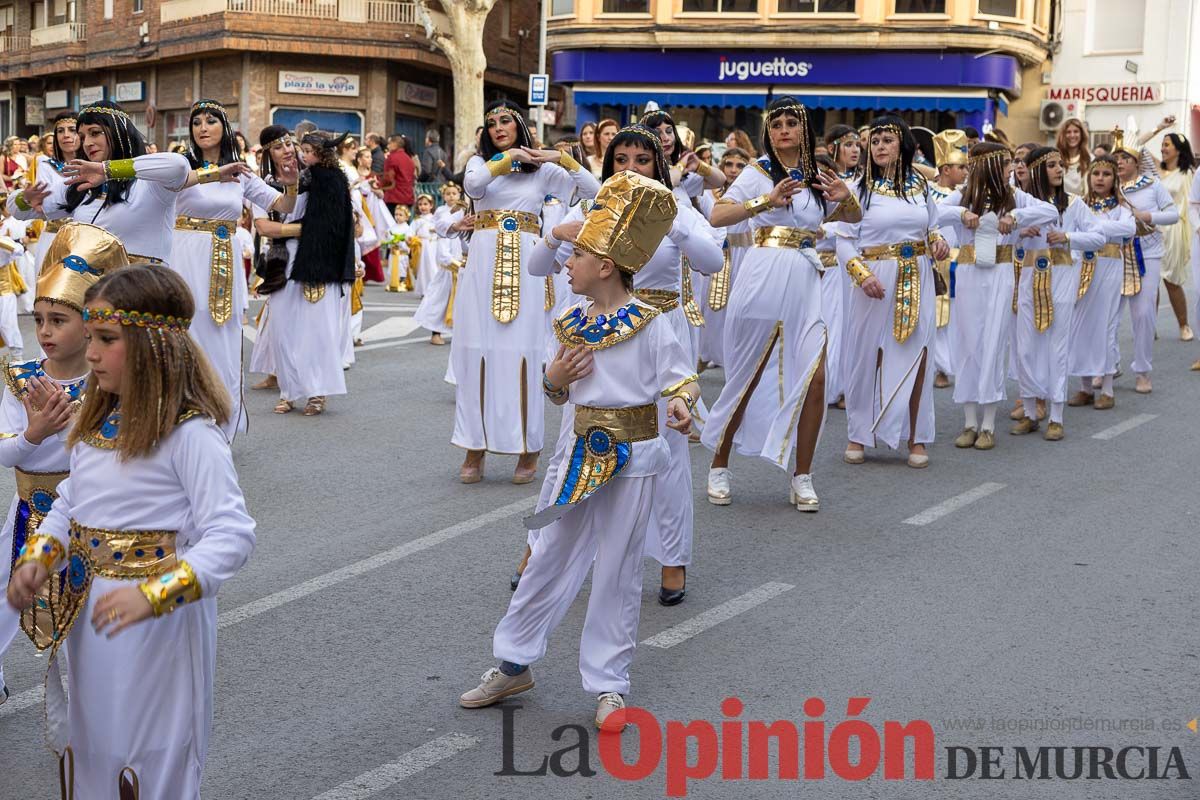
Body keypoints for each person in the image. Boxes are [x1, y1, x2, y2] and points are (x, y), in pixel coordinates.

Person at [459, 171, 699, 731]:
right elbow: (555, 391)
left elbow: (678, 378)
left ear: (606, 266)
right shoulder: (567, 320)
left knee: (617, 568)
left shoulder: (652, 323)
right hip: (576, 459)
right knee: (548, 556)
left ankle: (610, 685)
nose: (566, 263)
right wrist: (555, 376)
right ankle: (513, 662)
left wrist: (682, 404)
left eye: (578, 255)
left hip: (634, 459)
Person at [6, 264, 255, 799]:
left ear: (152, 347)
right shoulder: (96, 425)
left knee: (150, 759)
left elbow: (231, 534)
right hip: (92, 617)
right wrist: (38, 558)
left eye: (106, 340)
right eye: (91, 338)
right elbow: (71, 502)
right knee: (95, 747)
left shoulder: (190, 434)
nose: (90, 354)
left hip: (158, 626)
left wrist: (155, 595)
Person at [703, 98, 858, 510]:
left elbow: (852, 219)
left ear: (805, 130)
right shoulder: (757, 174)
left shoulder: (818, 176)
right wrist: (764, 203)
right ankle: (719, 462)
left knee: (816, 378)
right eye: (776, 124)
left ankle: (802, 475)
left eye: (792, 123)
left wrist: (846, 198)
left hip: (808, 280)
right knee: (748, 374)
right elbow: (718, 217)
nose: (784, 130)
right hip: (763, 275)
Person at [0, 222, 127, 709]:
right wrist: (34, 433)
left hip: (88, 515)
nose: (46, 332)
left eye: (60, 320)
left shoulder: (108, 383)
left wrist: (73, 432)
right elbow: (7, 447)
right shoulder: (23, 378)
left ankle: (92, 714)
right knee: (7, 595)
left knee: (81, 610)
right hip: (26, 507)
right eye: (39, 320)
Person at [455, 99, 599, 484]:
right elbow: (473, 185)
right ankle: (475, 446)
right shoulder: (478, 164)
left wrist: (560, 158)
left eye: (505, 121)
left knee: (524, 353)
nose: (498, 126)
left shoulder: (542, 174)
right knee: (475, 351)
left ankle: (528, 448)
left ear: (520, 125)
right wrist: (506, 158)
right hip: (483, 265)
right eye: (491, 123)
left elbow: (593, 190)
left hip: (527, 264)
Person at [173, 99, 298, 440]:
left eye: (211, 121)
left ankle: (218, 421)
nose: (202, 127)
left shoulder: (240, 172)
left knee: (222, 337)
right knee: (185, 332)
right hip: (183, 255)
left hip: (223, 261)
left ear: (224, 128)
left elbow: (281, 205)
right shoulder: (181, 165)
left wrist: (291, 183)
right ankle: (181, 424)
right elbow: (172, 185)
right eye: (196, 121)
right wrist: (214, 173)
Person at [836, 115, 951, 468]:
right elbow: (843, 241)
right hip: (875, 280)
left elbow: (931, 226)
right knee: (867, 357)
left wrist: (938, 241)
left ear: (902, 144)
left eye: (888, 140)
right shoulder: (858, 189)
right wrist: (862, 275)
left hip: (916, 275)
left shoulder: (919, 186)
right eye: (875, 141)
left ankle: (917, 438)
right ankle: (859, 434)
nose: (880, 147)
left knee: (918, 357)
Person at [936, 143, 1058, 451]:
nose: (1012, 168)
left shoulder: (1015, 196)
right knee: (968, 343)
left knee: (993, 342)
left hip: (1002, 271)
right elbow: (931, 212)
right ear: (989, 164)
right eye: (1005, 162)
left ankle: (988, 425)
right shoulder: (963, 195)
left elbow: (1051, 211)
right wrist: (960, 214)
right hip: (967, 271)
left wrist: (1016, 218)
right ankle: (968, 423)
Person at [1010, 147, 1106, 440]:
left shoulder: (1074, 205)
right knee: (1025, 346)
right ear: (1039, 169)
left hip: (1062, 275)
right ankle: (1029, 411)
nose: (1059, 170)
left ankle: (1056, 415)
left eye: (1060, 165)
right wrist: (1018, 236)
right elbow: (1004, 238)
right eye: (1052, 165)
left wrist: (1068, 237)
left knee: (1057, 345)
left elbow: (1099, 236)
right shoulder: (1024, 205)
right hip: (1028, 276)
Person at [1109, 130, 1179, 394]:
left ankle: (1142, 370)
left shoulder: (1152, 185)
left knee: (1143, 313)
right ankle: (1109, 365)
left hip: (1146, 254)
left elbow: (1173, 215)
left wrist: (1147, 215)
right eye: (1117, 157)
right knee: (1108, 313)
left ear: (1136, 161)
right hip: (1114, 255)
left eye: (1126, 157)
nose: (1120, 162)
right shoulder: (1106, 185)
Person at [1067, 155, 1136, 409]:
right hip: (1083, 266)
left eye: (1106, 174)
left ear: (1114, 179)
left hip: (1109, 266)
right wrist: (1099, 230)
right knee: (1081, 325)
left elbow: (1128, 230)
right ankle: (1085, 387)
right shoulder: (1080, 205)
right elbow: (1071, 233)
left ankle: (1107, 388)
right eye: (1096, 174)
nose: (1100, 179)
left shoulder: (1122, 208)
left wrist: (1094, 230)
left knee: (1106, 326)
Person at [7, 112, 81, 280]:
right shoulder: (46, 165)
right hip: (52, 238)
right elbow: (43, 203)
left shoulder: (95, 167)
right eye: (60, 131)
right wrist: (26, 200)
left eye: (72, 130)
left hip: (83, 239)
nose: (66, 135)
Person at [927, 129, 969, 391]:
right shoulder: (927, 191)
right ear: (945, 168)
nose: (965, 172)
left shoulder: (967, 193)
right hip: (934, 258)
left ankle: (953, 364)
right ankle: (938, 366)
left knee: (956, 314)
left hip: (959, 259)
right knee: (935, 315)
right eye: (960, 167)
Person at [414, 182, 471, 346]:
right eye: (448, 193)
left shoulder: (465, 210)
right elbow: (442, 239)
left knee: (463, 302)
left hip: (463, 264)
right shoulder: (442, 213)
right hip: (449, 269)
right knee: (439, 301)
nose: (451, 196)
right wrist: (454, 263)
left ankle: (459, 332)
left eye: (454, 193)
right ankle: (435, 332)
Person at [1158, 132, 1194, 340]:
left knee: (1171, 280)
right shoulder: (1155, 170)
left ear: (1179, 149)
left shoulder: (1187, 174)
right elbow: (1136, 145)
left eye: (1167, 144)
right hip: (1152, 229)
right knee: (1148, 282)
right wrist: (1159, 128)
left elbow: (1192, 207)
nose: (1163, 148)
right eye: (1162, 145)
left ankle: (1184, 325)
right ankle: (1147, 325)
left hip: (1174, 232)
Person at [381, 133, 415, 214]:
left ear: (395, 144)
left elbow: (388, 179)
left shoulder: (391, 158)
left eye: (389, 143)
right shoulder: (409, 159)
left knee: (392, 224)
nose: (387, 146)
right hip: (408, 197)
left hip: (394, 197)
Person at [1057, 118, 1091, 197]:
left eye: (1076, 131)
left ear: (1082, 135)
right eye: (1068, 132)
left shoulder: (1090, 159)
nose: (1072, 135)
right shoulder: (1056, 158)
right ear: (1063, 135)